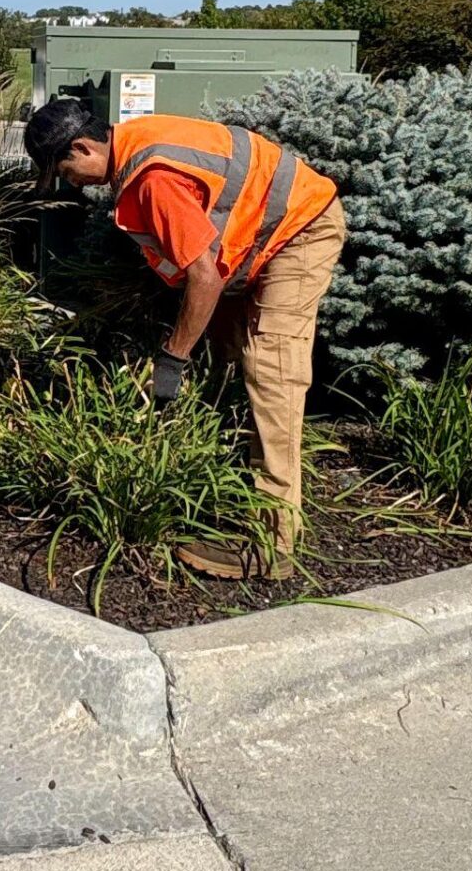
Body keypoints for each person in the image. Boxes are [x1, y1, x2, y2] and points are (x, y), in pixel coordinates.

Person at [23, 99, 344, 580]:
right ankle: (237, 481)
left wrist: (172, 358)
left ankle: (273, 542)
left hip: (299, 231)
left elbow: (205, 277)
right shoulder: (136, 142)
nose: (73, 186)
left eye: (67, 173)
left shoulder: (151, 178)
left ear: (83, 146)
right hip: (258, 240)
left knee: (271, 369)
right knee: (229, 353)